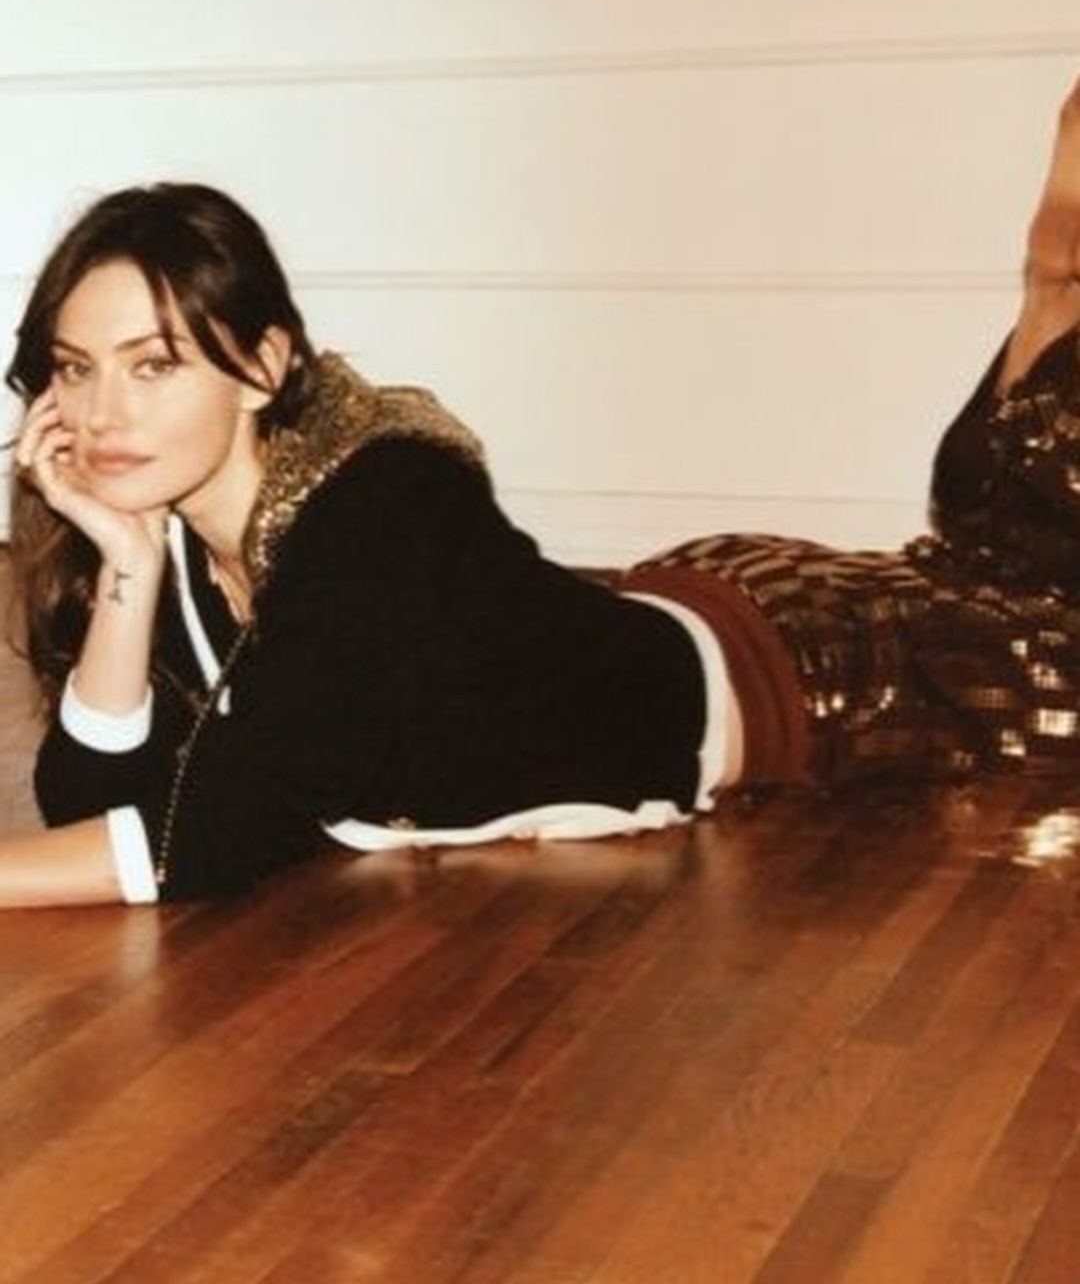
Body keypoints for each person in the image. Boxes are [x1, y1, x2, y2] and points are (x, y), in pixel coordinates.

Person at [4, 83, 1080, 908]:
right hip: (675, 602)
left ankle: (1054, 279)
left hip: (817, 676)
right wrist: (127, 567)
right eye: (74, 369)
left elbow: (217, 828)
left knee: (1047, 640)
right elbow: (95, 807)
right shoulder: (173, 536)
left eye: (154, 366)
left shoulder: (380, 501)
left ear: (265, 366)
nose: (101, 415)